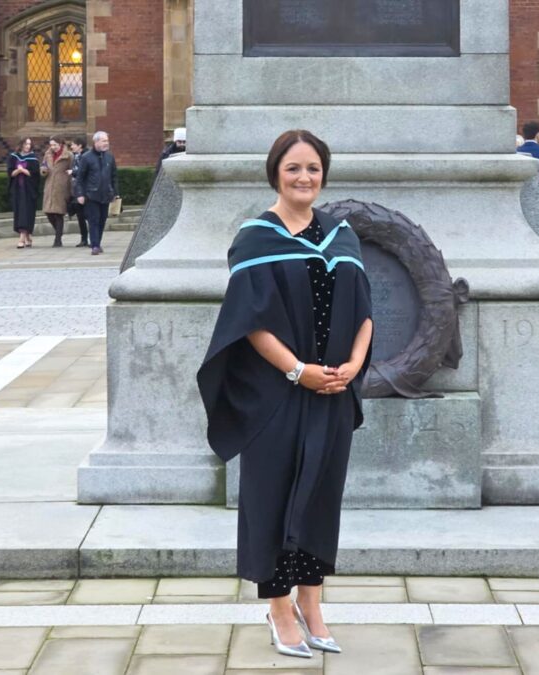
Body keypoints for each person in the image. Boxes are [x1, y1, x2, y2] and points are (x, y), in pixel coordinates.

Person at [197, 130, 373, 659]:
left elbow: (365, 310)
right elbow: (250, 321)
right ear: (275, 172)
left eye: (314, 169)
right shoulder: (255, 238)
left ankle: (313, 603)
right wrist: (300, 371)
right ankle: (278, 607)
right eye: (294, 168)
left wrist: (353, 366)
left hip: (333, 392)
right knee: (271, 496)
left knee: (321, 496)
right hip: (276, 393)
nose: (304, 178)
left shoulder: (342, 236)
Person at [76, 131, 119, 256]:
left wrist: (115, 193)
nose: (107, 143)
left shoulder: (109, 157)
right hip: (91, 195)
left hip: (105, 194)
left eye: (107, 141)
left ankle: (97, 243)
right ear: (96, 142)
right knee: (93, 220)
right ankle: (94, 245)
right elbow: (80, 178)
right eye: (104, 141)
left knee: (102, 220)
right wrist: (80, 194)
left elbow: (114, 176)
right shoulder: (86, 157)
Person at [40, 136, 74, 247]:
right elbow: (43, 166)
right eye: (51, 145)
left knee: (59, 213)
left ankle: (57, 239)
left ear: (60, 144)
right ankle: (59, 232)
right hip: (50, 186)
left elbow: (73, 170)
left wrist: (70, 185)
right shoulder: (48, 154)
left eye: (55, 145)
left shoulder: (68, 155)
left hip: (62, 186)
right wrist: (43, 171)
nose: (53, 147)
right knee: (48, 212)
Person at [7, 138, 40, 249]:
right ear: (21, 144)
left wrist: (24, 171)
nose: (28, 146)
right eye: (26, 144)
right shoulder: (14, 157)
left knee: (27, 212)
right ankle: (27, 237)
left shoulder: (33, 159)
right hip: (18, 189)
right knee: (20, 212)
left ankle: (22, 237)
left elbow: (35, 175)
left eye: (29, 144)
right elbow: (10, 173)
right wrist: (18, 170)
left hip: (29, 190)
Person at [68, 137, 90, 247]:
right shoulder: (75, 156)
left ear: (80, 145)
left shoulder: (86, 156)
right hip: (76, 190)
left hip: (86, 190)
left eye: (73, 144)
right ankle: (84, 239)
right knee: (80, 216)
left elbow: (84, 172)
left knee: (89, 215)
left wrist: (73, 172)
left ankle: (92, 238)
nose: (71, 146)